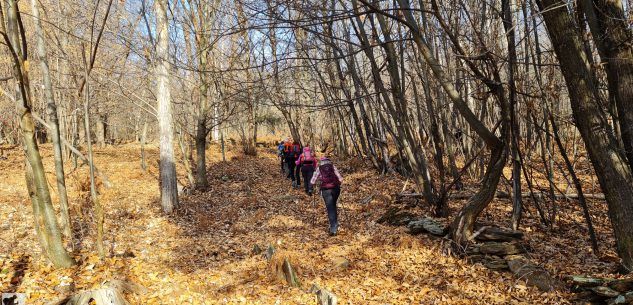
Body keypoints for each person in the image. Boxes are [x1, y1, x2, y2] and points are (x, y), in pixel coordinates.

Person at [310, 156, 343, 236]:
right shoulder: (332, 166)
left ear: (321, 162)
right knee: (333, 206)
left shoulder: (319, 168)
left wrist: (311, 186)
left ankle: (333, 228)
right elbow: (341, 179)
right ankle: (335, 224)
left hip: (326, 190)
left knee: (330, 208)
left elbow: (312, 181)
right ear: (328, 161)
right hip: (336, 189)